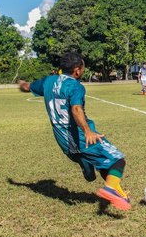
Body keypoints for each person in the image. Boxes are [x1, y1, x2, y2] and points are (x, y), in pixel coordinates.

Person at [18, 52, 130, 211]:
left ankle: (90, 167)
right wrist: (87, 131)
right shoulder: (75, 86)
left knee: (99, 165)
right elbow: (76, 108)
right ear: (77, 70)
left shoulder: (48, 81)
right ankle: (110, 189)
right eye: (83, 68)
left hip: (62, 139)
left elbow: (27, 87)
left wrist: (21, 84)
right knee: (118, 160)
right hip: (79, 136)